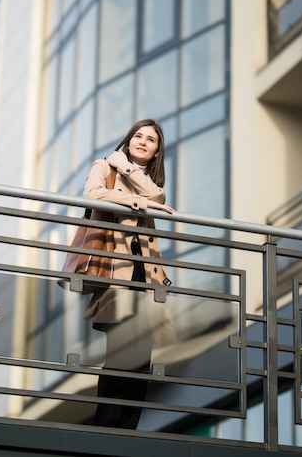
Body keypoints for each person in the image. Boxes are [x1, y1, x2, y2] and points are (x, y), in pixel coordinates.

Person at [82, 118, 175, 430]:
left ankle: (128, 432)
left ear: (156, 152)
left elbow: (158, 198)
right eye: (138, 135)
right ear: (128, 139)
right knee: (121, 354)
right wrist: (136, 200)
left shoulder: (144, 179)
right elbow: (93, 193)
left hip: (146, 279)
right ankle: (106, 429)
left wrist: (129, 171)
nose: (143, 142)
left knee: (142, 361)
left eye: (151, 140)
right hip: (116, 274)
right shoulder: (105, 165)